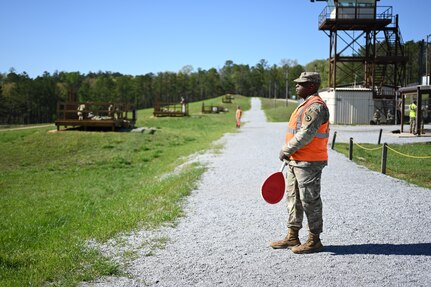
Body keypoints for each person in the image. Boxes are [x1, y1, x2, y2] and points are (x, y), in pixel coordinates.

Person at [270, 72, 330, 254]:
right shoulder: (305, 105)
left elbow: (306, 134)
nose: (296, 86)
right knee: (293, 198)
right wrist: (291, 153)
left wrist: (286, 149)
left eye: (300, 83)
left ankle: (314, 240)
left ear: (311, 86)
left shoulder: (316, 107)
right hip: (296, 160)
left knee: (310, 200)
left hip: (309, 162)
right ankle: (292, 236)